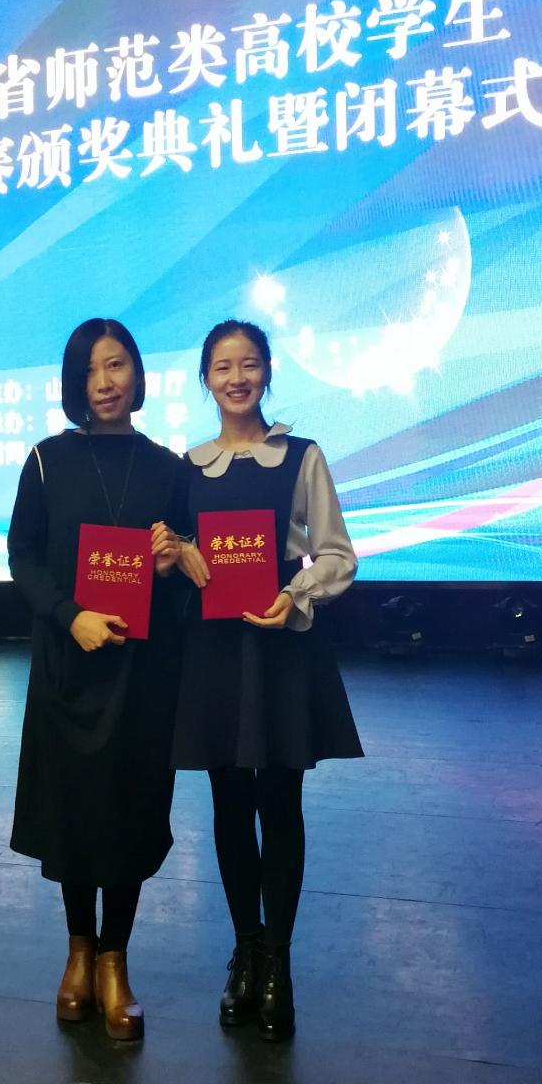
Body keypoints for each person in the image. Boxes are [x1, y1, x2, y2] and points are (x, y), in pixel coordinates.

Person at [174, 319, 363, 1042]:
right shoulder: (187, 468)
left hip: (281, 647)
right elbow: (173, 550)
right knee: (228, 804)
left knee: (281, 802)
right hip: (216, 652)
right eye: (223, 366)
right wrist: (177, 550)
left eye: (249, 363)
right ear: (206, 378)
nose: (237, 377)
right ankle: (245, 950)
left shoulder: (302, 456)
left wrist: (297, 592)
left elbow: (337, 553)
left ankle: (279, 960)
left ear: (268, 372)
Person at [8, 317, 186, 1041]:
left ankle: (115, 958)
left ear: (137, 374)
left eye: (116, 365)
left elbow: (184, 570)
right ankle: (78, 951)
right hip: (69, 663)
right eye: (89, 369)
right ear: (73, 382)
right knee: (74, 810)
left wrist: (170, 563)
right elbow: (22, 556)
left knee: (131, 810)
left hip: (142, 673)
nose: (104, 382)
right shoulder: (46, 461)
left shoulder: (168, 468)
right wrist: (70, 614)